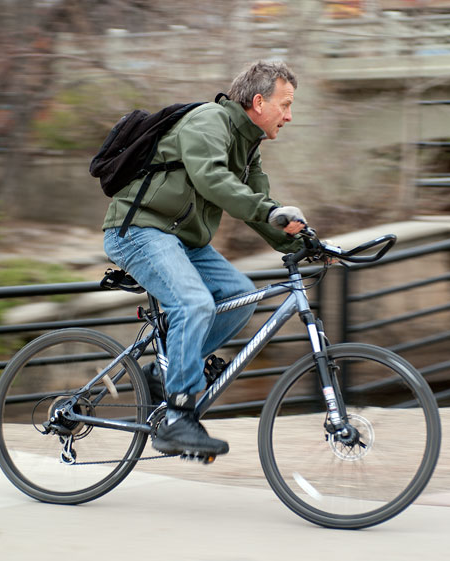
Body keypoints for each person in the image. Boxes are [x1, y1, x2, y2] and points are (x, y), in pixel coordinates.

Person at [103, 60, 306, 457]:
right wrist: (267, 212)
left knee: (238, 296)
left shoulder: (249, 146)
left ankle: (164, 372)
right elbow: (211, 178)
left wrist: (303, 245)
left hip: (182, 239)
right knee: (193, 303)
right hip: (141, 229)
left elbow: (259, 207)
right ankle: (178, 420)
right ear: (260, 101)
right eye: (285, 105)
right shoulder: (209, 120)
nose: (289, 116)